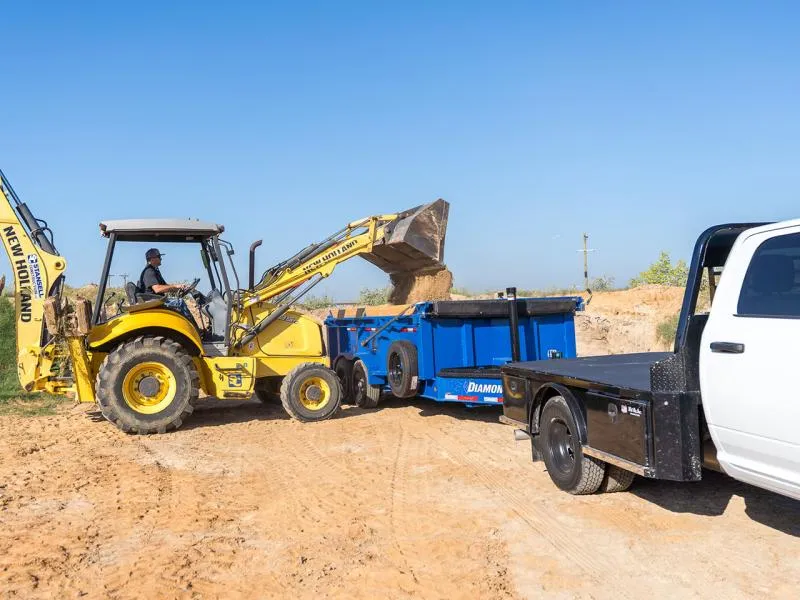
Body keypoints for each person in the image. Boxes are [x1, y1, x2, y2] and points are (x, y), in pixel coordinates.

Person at [138, 248, 196, 323]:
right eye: (159, 257)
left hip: (158, 301)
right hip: (155, 303)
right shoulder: (149, 271)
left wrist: (179, 288)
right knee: (180, 302)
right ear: (152, 259)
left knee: (178, 301)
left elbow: (165, 286)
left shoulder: (155, 270)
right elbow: (157, 289)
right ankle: (193, 327)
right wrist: (175, 287)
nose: (161, 259)